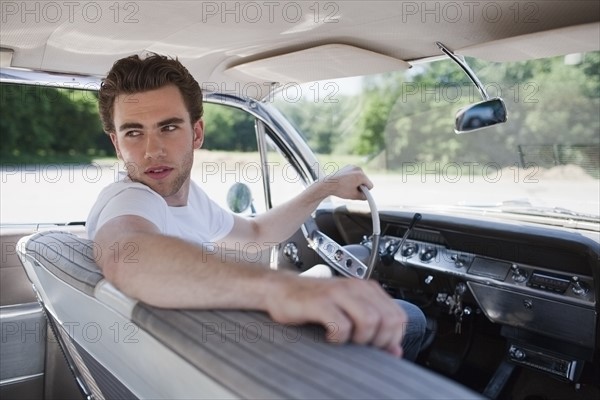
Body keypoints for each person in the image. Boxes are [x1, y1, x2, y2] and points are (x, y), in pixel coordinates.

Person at [87, 53, 426, 360]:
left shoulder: (188, 199)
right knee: (410, 317)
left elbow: (256, 233)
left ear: (197, 132)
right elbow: (126, 253)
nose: (152, 150)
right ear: (117, 144)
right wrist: (282, 288)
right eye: (134, 133)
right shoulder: (132, 198)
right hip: (226, 360)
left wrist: (325, 187)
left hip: (224, 350)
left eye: (169, 127)